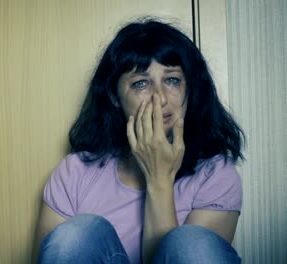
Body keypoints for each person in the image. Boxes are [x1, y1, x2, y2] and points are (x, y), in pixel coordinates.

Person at [32, 18, 245, 264]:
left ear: (190, 89)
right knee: (77, 234)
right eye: (141, 83)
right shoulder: (74, 173)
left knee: (190, 243)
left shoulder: (216, 176)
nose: (160, 98)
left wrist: (159, 178)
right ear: (114, 96)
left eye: (172, 80)